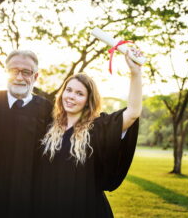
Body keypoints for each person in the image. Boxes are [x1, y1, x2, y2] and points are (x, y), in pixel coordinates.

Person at [33, 49, 143, 218]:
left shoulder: (98, 128)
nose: (71, 96)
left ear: (88, 101)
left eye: (79, 94)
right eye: (68, 90)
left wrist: (135, 73)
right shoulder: (48, 127)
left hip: (87, 208)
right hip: (49, 207)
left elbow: (133, 112)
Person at [0, 50, 52, 217]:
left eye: (26, 72)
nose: (19, 77)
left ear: (36, 76)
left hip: (30, 198)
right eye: (13, 71)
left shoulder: (48, 110)